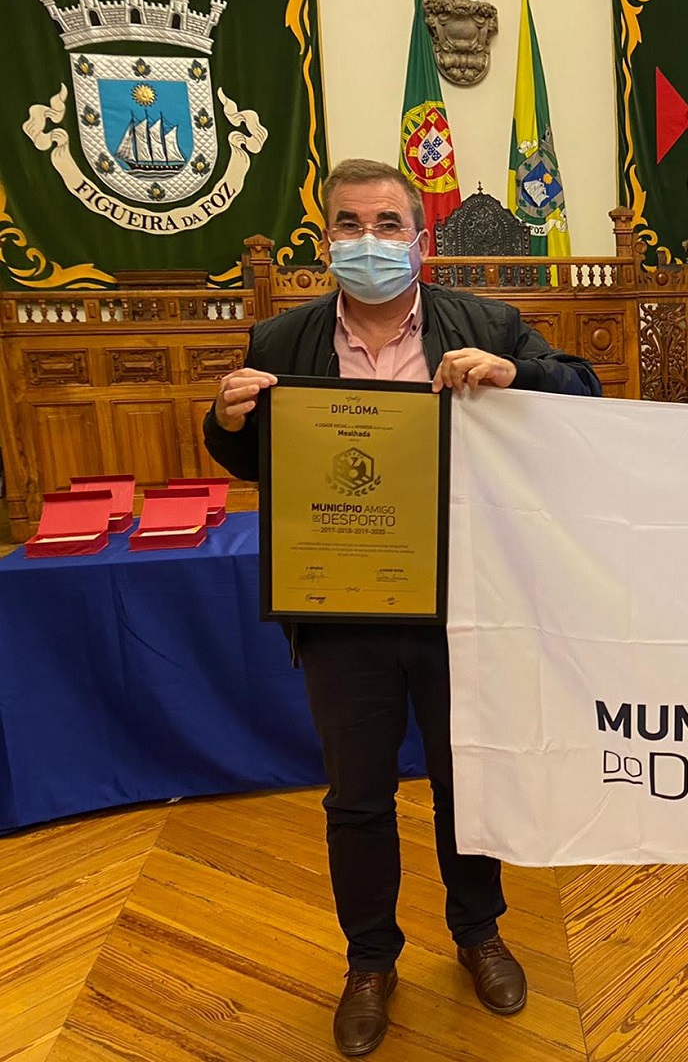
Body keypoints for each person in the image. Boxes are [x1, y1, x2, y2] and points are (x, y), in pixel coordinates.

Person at [203, 158, 601, 1056]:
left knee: (469, 782)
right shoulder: (281, 338)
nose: (369, 240)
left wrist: (513, 372)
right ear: (326, 240)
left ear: (420, 241)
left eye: (387, 224)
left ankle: (478, 932)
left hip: (463, 598)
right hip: (341, 605)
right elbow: (257, 460)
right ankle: (370, 961)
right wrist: (225, 421)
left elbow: (582, 390)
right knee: (356, 796)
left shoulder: (483, 322)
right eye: (350, 223)